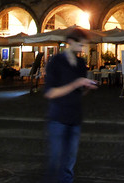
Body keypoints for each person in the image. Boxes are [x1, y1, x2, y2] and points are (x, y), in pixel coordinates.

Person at [43, 27, 97, 183]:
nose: (83, 48)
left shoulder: (80, 62)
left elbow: (78, 91)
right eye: (81, 45)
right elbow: (50, 92)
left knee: (69, 163)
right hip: (58, 119)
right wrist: (76, 84)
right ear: (70, 42)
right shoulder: (56, 61)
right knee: (56, 161)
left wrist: (86, 87)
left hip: (75, 118)